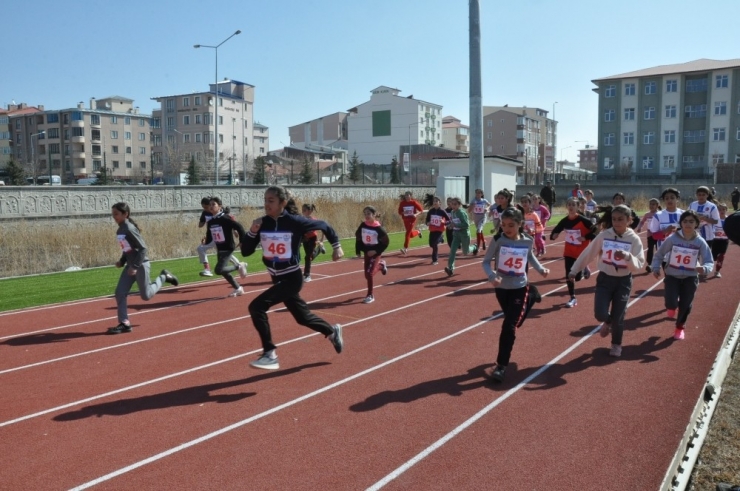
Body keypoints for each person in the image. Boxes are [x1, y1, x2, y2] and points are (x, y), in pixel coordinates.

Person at [240, 185, 344, 370]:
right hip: (275, 277)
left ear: (283, 203)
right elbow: (246, 251)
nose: (266, 204)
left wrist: (337, 246)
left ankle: (269, 353)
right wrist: (253, 231)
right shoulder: (262, 223)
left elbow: (325, 225)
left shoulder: (296, 222)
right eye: (265, 200)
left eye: (271, 201)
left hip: (291, 278)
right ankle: (331, 331)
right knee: (302, 317)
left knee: (256, 307)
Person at [481, 208, 549, 382]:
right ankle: (532, 295)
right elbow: (486, 262)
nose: (507, 228)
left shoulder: (527, 240)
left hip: (519, 286)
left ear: (520, 224)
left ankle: (501, 366)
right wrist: (491, 276)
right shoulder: (498, 240)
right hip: (502, 288)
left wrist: (541, 269)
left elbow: (530, 256)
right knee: (513, 321)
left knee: (509, 326)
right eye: (503, 225)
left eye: (511, 225)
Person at [569, 205, 645, 357]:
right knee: (600, 313)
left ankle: (616, 344)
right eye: (614, 219)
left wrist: (627, 257)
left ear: (629, 220)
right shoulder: (604, 235)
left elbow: (639, 264)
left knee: (619, 316)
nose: (617, 222)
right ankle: (608, 321)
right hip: (605, 279)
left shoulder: (634, 239)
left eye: (621, 219)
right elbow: (588, 253)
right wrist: (574, 270)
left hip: (623, 281)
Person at [110, 202, 179, 334]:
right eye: (113, 214)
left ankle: (164, 276)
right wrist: (122, 261)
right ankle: (124, 323)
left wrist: (135, 266)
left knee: (146, 296)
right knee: (120, 292)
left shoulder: (129, 228)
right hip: (130, 266)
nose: (114, 217)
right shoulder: (120, 229)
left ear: (125, 214)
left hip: (140, 265)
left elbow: (143, 248)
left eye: (116, 214)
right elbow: (127, 249)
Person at [651, 210, 713, 340]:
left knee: (686, 304)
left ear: (696, 224)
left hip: (690, 277)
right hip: (672, 275)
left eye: (691, 221)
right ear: (681, 223)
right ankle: (671, 306)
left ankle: (680, 328)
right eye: (685, 221)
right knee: (671, 301)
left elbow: (708, 261)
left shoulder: (700, 242)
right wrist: (655, 267)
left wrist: (705, 268)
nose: (688, 224)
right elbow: (659, 254)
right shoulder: (672, 238)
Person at [550, 197, 598, 308]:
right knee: (569, 275)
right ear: (567, 207)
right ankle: (572, 297)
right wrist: (554, 235)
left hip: (582, 252)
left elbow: (595, 231)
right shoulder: (565, 220)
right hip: (569, 251)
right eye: (569, 204)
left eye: (573, 205)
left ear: (577, 207)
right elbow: (555, 231)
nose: (571, 207)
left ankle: (584, 267)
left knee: (577, 277)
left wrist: (585, 237)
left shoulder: (583, 220)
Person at [204, 197, 248, 297]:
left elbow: (239, 227)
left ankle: (239, 266)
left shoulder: (225, 218)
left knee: (218, 270)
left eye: (213, 204)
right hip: (220, 248)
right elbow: (210, 236)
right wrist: (205, 242)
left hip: (228, 247)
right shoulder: (211, 222)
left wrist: (242, 241)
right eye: (209, 205)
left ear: (220, 206)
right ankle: (238, 288)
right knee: (224, 271)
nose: (211, 206)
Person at [197, 196, 241, 276]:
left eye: (206, 207)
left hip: (222, 236)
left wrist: (235, 231)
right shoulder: (205, 213)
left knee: (222, 253)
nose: (205, 209)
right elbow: (201, 224)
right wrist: (203, 221)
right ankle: (239, 265)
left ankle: (207, 269)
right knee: (222, 253)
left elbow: (230, 221)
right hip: (213, 236)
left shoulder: (219, 211)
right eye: (203, 208)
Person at [355, 206, 389, 304]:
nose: (366, 216)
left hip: (375, 253)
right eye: (365, 214)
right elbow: (358, 237)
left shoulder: (378, 228)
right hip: (366, 252)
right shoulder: (363, 225)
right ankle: (381, 266)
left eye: (368, 213)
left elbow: (386, 242)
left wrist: (375, 251)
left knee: (369, 274)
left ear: (374, 215)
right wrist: (358, 250)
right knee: (367, 275)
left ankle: (370, 295)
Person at [444, 197, 478, 277]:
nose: (453, 206)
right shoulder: (452, 212)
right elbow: (454, 222)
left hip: (464, 234)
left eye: (455, 204)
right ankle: (450, 269)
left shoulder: (462, 213)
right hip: (456, 234)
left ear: (459, 205)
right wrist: (450, 225)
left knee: (465, 252)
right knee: (452, 251)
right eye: (452, 204)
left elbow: (466, 225)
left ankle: (474, 247)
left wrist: (455, 225)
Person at [689, 186, 720, 252]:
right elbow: (687, 217)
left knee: (705, 255)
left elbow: (716, 221)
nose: (701, 197)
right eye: (699, 195)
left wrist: (705, 219)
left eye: (703, 195)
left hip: (708, 235)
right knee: (694, 254)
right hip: (694, 234)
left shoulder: (712, 206)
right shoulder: (692, 205)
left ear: (707, 195)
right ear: (696, 195)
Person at [300, 203, 326, 283]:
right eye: (302, 210)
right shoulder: (301, 219)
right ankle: (319, 249)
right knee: (310, 256)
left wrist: (322, 239)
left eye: (304, 210)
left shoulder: (314, 220)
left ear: (310, 211)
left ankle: (307, 275)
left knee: (308, 257)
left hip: (312, 238)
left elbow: (324, 228)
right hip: (305, 239)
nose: (303, 212)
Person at [636, 198, 661, 273]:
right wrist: (639, 227)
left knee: (658, 249)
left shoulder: (660, 214)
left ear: (657, 206)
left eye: (653, 204)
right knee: (650, 249)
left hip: (658, 234)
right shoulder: (647, 214)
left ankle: (658, 263)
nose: (651, 205)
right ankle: (649, 264)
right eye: (650, 204)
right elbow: (642, 221)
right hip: (650, 235)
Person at [425, 196, 450, 265]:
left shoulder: (442, 211)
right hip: (432, 230)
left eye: (436, 201)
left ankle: (435, 259)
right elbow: (427, 220)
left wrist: (443, 222)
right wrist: (427, 223)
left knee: (435, 244)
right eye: (434, 201)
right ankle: (441, 238)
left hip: (439, 230)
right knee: (431, 244)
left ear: (440, 203)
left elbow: (449, 220)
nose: (435, 202)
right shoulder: (431, 211)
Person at [398, 191, 424, 255]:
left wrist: (416, 214)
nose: (407, 197)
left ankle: (405, 248)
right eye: (406, 195)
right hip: (405, 220)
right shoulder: (402, 203)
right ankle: (418, 232)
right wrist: (403, 213)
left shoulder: (414, 202)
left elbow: (421, 210)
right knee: (410, 235)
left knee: (407, 234)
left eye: (408, 195)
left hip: (412, 219)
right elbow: (399, 212)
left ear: (410, 196)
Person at [711, 203, 730, 278]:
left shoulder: (729, 219)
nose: (721, 211)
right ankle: (707, 267)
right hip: (715, 240)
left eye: (723, 209)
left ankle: (717, 271)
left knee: (721, 256)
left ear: (726, 210)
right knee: (713, 257)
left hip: (724, 241)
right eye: (719, 209)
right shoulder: (715, 220)